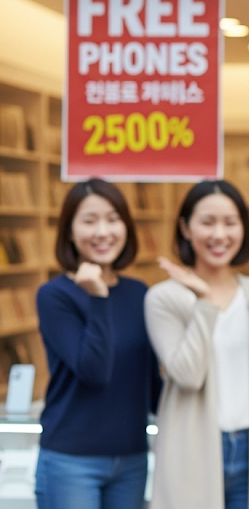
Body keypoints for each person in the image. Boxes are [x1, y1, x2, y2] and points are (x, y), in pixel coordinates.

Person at [143, 180, 249, 509]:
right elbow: (187, 375)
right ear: (186, 228)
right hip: (192, 449)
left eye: (230, 223)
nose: (219, 234)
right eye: (207, 222)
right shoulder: (164, 298)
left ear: (243, 228)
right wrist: (204, 301)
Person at [34, 178, 162, 509]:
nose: (102, 231)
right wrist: (99, 298)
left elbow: (151, 381)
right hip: (71, 460)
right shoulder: (54, 295)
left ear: (126, 227)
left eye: (113, 219)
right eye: (89, 221)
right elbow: (94, 371)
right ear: (70, 232)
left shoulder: (138, 292)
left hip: (132, 458)